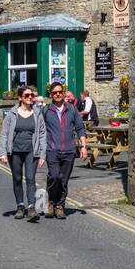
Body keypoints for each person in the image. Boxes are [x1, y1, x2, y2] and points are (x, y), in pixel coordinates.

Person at [0, 86, 47, 222]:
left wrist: (42, 155)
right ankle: (20, 206)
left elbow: (42, 134)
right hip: (14, 152)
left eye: (32, 95)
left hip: (32, 151)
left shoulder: (37, 113)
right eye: (26, 95)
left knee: (31, 178)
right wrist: (3, 153)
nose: (30, 97)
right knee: (17, 178)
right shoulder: (12, 114)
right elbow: (4, 134)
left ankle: (31, 207)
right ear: (20, 98)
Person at [41, 82, 85, 219]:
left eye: (60, 91)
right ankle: (50, 201)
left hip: (69, 151)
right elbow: (40, 130)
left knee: (64, 180)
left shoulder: (71, 109)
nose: (58, 94)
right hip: (52, 150)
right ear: (51, 95)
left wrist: (83, 146)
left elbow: (80, 128)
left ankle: (60, 206)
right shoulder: (46, 111)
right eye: (55, 92)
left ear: (63, 93)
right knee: (54, 176)